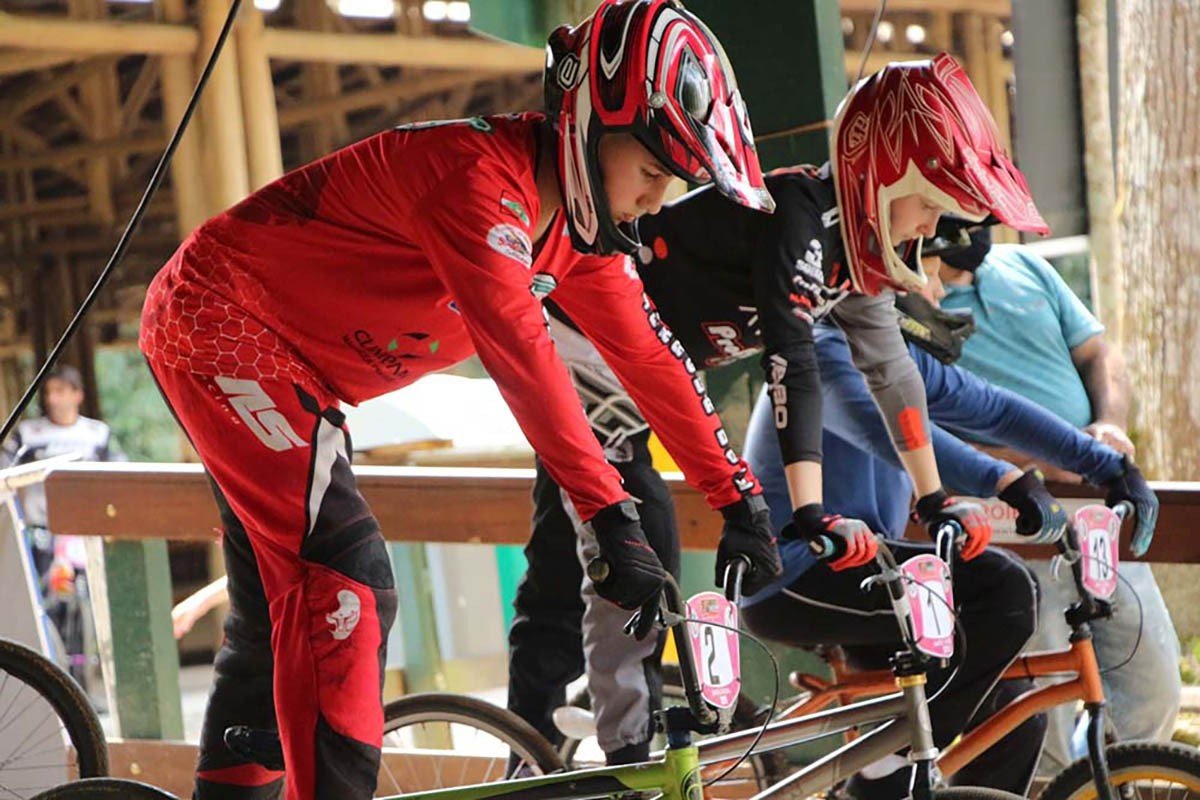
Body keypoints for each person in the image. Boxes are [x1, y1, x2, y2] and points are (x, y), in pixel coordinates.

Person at [137, 2, 782, 798]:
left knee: (285, 612)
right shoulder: (478, 183)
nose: (656, 202)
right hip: (222, 325)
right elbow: (523, 356)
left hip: (291, 365)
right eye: (652, 174)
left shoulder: (575, 235)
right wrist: (609, 516)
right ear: (587, 128)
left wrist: (740, 499)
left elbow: (652, 359)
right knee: (346, 586)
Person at [505, 53, 1051, 773]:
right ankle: (629, 761)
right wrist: (811, 512)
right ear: (885, 181)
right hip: (583, 341)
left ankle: (524, 745)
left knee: (558, 567)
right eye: (928, 205)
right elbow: (790, 359)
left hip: (640, 371)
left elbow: (893, 380)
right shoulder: (800, 214)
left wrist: (936, 496)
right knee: (639, 547)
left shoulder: (856, 260)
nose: (928, 227)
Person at [739, 252, 1158, 798]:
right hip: (797, 573)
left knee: (1012, 724)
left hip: (871, 569)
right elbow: (886, 429)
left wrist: (1112, 467)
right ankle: (888, 766)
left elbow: (995, 409)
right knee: (1005, 588)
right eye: (931, 277)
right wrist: (1008, 481)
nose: (938, 295)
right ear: (890, 285)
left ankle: (894, 766)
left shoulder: (899, 359)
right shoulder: (824, 351)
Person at [936, 227, 1179, 772]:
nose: (979, 217)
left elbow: (1099, 353)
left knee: (1153, 683)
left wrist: (1109, 426)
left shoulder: (1024, 266)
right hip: (1008, 520)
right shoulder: (912, 304)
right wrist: (1040, 460)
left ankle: (1123, 780)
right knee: (1036, 712)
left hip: (1096, 509)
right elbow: (917, 432)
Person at [1, 364, 125, 693]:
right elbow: (5, 470)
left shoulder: (96, 434)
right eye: (49, 392)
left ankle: (81, 690)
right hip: (41, 535)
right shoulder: (29, 435)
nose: (54, 399)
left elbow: (119, 473)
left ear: (77, 395)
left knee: (83, 615)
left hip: (83, 537)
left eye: (61, 391)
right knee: (46, 611)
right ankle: (47, 686)